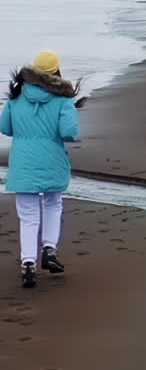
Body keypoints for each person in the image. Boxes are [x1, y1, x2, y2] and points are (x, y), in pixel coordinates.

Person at [0, 51, 81, 288]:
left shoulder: (16, 95)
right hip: (52, 161)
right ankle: (49, 248)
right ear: (57, 71)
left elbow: (4, 127)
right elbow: (70, 132)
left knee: (28, 216)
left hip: (23, 164)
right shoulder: (63, 99)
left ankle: (28, 263)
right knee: (53, 204)